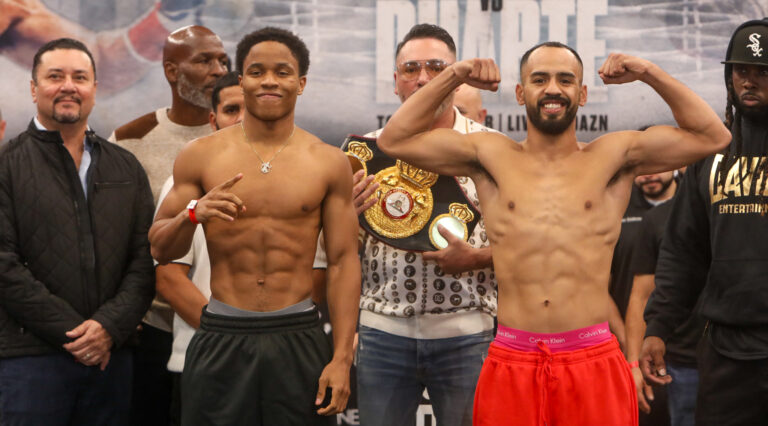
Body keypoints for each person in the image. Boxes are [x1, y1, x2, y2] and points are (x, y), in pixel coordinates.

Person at [376, 41, 730, 425]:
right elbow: (395, 139)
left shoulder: (615, 156)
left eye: (565, 80)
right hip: (513, 359)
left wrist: (647, 71)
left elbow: (713, 136)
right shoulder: (489, 155)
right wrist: (455, 75)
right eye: (539, 79)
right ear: (520, 92)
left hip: (592, 358)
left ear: (582, 93)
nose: (552, 89)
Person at [149, 27, 360, 425]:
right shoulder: (199, 156)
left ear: (301, 83)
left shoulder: (328, 162)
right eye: (257, 71)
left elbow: (343, 262)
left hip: (298, 334)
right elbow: (160, 249)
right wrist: (193, 212)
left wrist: (342, 358)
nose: (269, 81)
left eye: (282, 72)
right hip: (221, 332)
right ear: (241, 78)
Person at [0, 37, 155, 425]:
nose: (68, 85)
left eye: (80, 77)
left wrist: (108, 329)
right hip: (29, 361)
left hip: (111, 360)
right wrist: (78, 335)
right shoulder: (6, 165)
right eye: (55, 76)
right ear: (34, 88)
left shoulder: (126, 169)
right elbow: (4, 266)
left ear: (94, 90)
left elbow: (144, 259)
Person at [349, 24, 498, 426]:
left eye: (436, 67)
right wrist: (346, 218)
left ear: (455, 77)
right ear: (395, 81)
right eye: (411, 68)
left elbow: (532, 243)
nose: (423, 78)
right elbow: (339, 253)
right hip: (382, 333)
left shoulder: (494, 148)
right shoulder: (364, 153)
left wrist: (479, 257)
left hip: (468, 332)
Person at [641, 18, 768, 425]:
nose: (749, 82)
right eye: (741, 71)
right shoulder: (711, 156)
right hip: (726, 350)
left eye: (762, 72)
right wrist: (658, 325)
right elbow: (683, 251)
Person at [109, 24, 227, 426]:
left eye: (223, 60)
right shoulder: (130, 141)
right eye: (204, 60)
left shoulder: (252, 143)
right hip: (152, 326)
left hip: (229, 322)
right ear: (171, 71)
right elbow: (114, 239)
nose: (218, 69)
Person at [155, 71, 243, 426]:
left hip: (279, 357)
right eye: (232, 109)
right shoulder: (184, 181)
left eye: (250, 108)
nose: (241, 119)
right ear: (213, 119)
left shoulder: (303, 178)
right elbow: (168, 278)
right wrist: (228, 337)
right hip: (201, 357)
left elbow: (316, 275)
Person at [624, 181, 703, 426]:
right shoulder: (657, 218)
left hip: (743, 350)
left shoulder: (737, 214)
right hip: (682, 358)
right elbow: (641, 295)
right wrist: (634, 363)